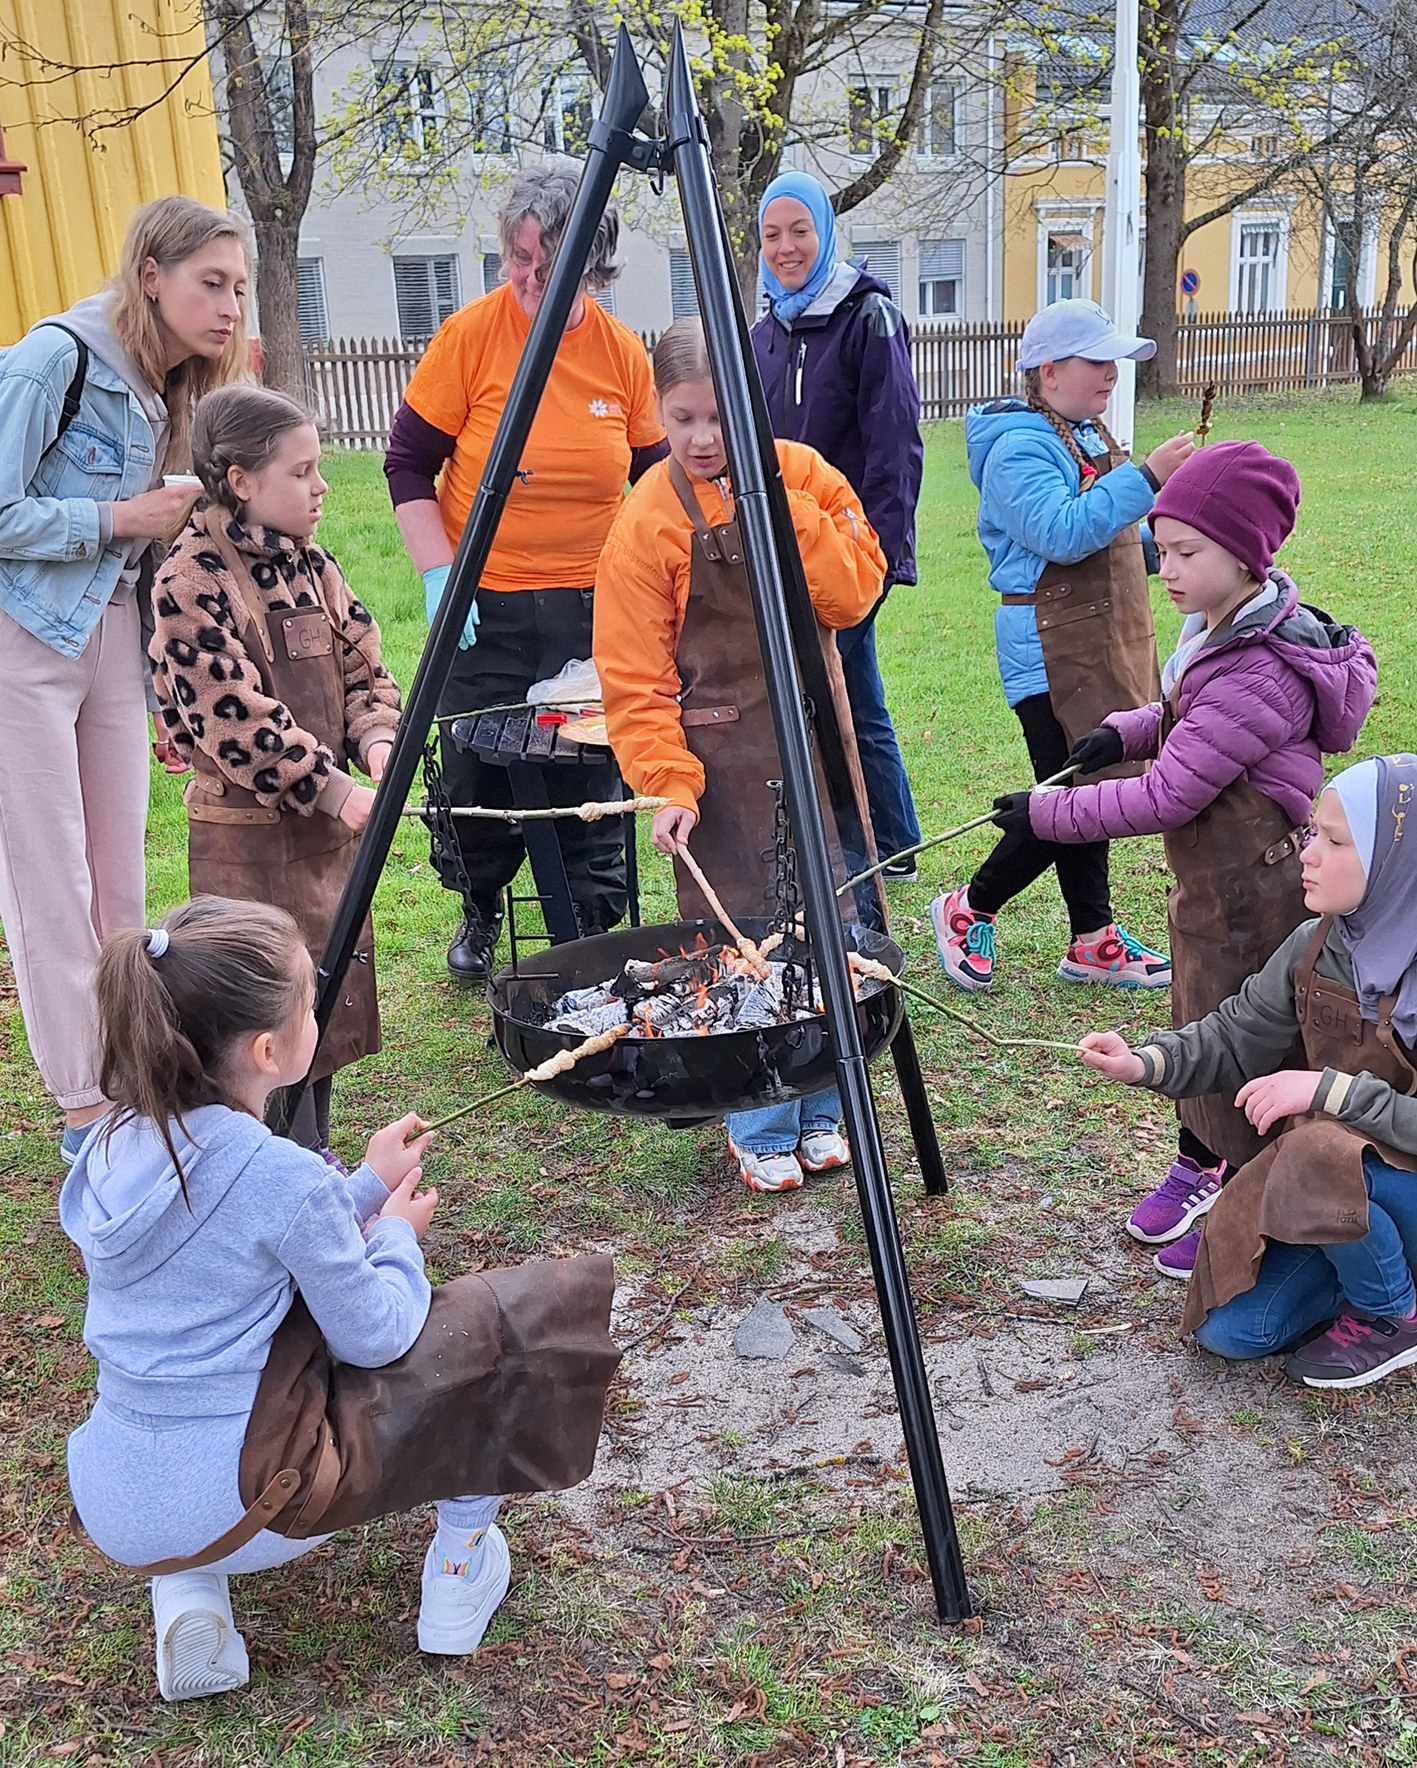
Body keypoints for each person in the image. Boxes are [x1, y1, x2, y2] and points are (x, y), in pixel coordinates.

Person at [61, 896, 619, 1701]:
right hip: (256, 1496)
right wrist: (394, 1233)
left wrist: (362, 1186)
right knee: (494, 1327)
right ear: (268, 1050)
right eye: (308, 1002)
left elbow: (237, 1236)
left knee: (190, 1390)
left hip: (119, 1499)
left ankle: (186, 1594)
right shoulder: (278, 1176)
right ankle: (461, 1571)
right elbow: (376, 1334)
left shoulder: (112, 1147)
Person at [995, 442, 1375, 1278]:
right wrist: (1122, 730)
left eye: (1184, 553)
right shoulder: (1217, 629)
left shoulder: (1258, 672)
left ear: (1243, 553)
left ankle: (1251, 1194)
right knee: (1196, 1017)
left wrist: (1045, 814)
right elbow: (1179, 713)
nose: (1162, 568)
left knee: (1246, 1042)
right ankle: (1203, 1158)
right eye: (1157, 550)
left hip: (1255, 893)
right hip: (1210, 890)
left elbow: (1167, 794)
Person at [594, 318, 884, 1193]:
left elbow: (852, 593)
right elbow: (633, 678)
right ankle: (759, 1112)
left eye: (721, 418)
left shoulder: (805, 477)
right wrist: (668, 784)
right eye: (682, 419)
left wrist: (777, 505)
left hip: (814, 742)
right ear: (658, 413)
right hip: (717, 761)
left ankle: (829, 1096)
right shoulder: (646, 520)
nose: (703, 439)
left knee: (830, 922)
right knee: (747, 938)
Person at [0, 195, 249, 1166]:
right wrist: (115, 518)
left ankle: (136, 1076)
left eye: (238, 287)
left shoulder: (167, 384)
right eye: (212, 284)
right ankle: (84, 1112)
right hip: (24, 637)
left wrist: (159, 685)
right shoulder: (54, 359)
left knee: (120, 884)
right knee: (49, 882)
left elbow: (145, 566)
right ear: (152, 275)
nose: (231, 306)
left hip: (106, 640)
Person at [385, 163, 668, 981]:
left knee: (588, 771)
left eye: (548, 265)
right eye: (518, 257)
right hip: (487, 607)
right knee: (473, 776)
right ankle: (479, 905)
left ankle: (590, 929)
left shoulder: (618, 356)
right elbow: (407, 463)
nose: (527, 277)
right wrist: (444, 574)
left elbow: (652, 483)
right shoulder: (472, 336)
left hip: (589, 613)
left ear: (594, 270)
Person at [1079, 755, 1417, 1390]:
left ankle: (1392, 1315)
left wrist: (1327, 1091)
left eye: (1335, 841)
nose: (1307, 855)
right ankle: (1376, 1274)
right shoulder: (1320, 942)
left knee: (1314, 1147)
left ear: (1395, 859)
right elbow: (1235, 1034)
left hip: (1392, 1181)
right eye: (1311, 832)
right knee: (1234, 1329)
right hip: (1353, 1194)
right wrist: (1143, 1061)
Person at [148, 385, 402, 1157]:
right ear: (241, 480)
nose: (322, 487)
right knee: (254, 1017)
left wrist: (379, 741)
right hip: (246, 848)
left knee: (315, 1009)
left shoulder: (313, 567)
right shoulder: (189, 582)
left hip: (324, 841)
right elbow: (233, 718)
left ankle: (309, 1150)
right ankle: (265, 1166)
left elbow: (366, 669)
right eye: (303, 472)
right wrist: (332, 788)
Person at [929, 298, 1195, 996]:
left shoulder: (1077, 431)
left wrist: (1167, 539)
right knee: (1067, 797)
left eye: (1114, 362)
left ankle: (1092, 939)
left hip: (1093, 638)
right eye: (1096, 361)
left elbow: (1101, 537)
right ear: (1048, 371)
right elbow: (1061, 532)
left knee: (1091, 786)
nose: (1111, 374)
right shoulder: (1020, 445)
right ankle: (969, 906)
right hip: (1048, 650)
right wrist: (1145, 481)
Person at [750, 170, 925, 875]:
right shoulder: (764, 331)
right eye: (771, 234)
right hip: (784, 551)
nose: (786, 247)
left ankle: (852, 849)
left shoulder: (866, 318)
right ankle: (895, 841)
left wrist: (876, 557)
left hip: (848, 550)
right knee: (854, 692)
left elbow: (894, 443)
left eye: (799, 231)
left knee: (823, 692)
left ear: (824, 233)